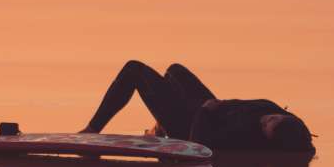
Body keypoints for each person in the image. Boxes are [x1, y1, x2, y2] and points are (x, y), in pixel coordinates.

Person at [80, 60, 315, 152]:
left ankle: (92, 129)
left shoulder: (242, 135)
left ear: (265, 137)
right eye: (274, 118)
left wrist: (205, 111)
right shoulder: (278, 115)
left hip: (190, 123)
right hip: (213, 108)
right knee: (175, 70)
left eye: (268, 126)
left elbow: (198, 144)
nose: (267, 119)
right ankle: (160, 127)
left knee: (134, 70)